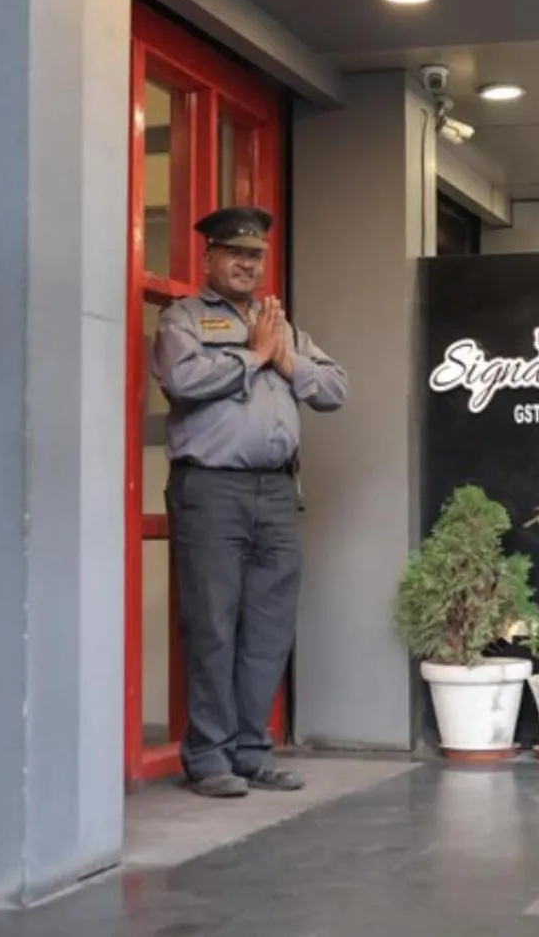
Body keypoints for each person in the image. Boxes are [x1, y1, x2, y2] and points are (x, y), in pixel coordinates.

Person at [151, 205, 349, 799]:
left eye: (255, 255)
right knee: (212, 623)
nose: (246, 264)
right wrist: (256, 358)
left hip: (277, 490)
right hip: (212, 489)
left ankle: (250, 751)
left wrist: (285, 356)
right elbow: (182, 381)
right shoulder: (182, 319)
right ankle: (209, 758)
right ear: (208, 257)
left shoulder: (279, 324)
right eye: (235, 253)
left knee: (268, 627)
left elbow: (336, 389)